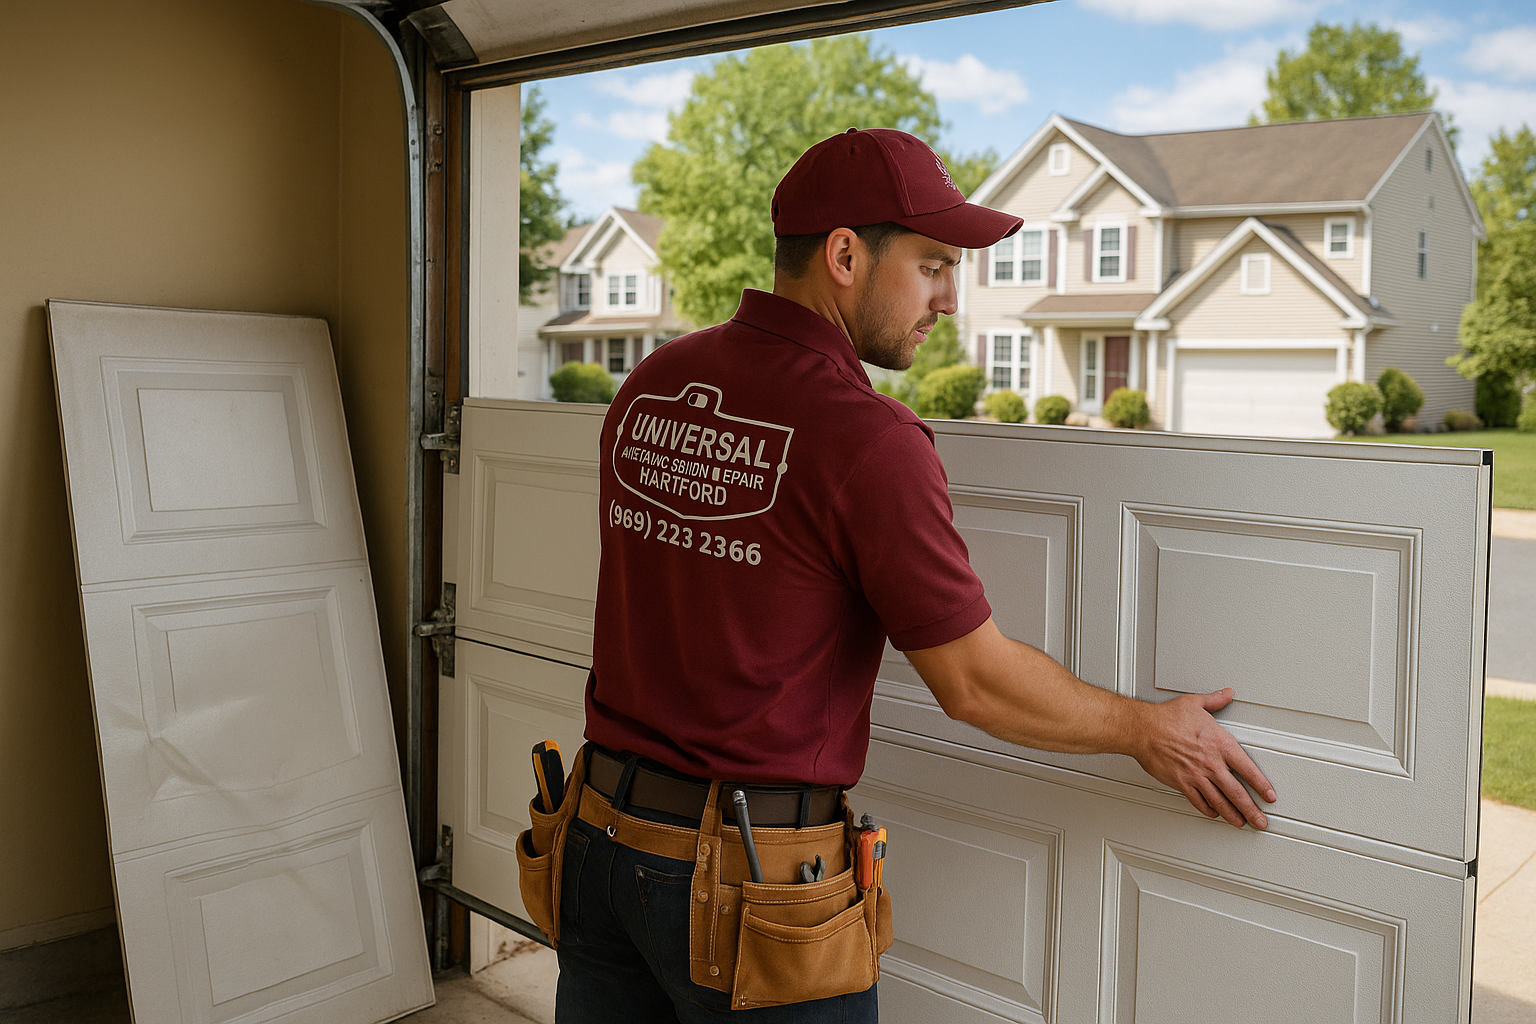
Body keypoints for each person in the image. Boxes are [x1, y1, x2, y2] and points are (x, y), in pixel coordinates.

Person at [552, 128, 1276, 1022]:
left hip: (597, 839)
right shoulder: (867, 438)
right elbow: (974, 683)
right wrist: (1145, 729)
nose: (950, 299)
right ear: (844, 256)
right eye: (932, 265)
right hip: (750, 889)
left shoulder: (654, 384)